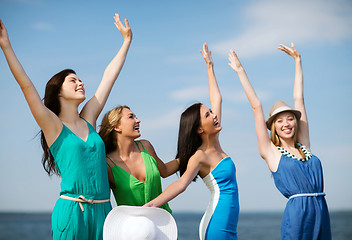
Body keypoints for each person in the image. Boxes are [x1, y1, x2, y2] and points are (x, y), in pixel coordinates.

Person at [0, 14, 132, 240]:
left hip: (104, 212)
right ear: (58, 90)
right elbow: (26, 85)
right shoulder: (52, 125)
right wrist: (6, 46)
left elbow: (109, 77)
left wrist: (126, 41)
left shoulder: (88, 118)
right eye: (73, 80)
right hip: (72, 212)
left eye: (80, 79)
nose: (81, 83)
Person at [228, 43, 331, 239]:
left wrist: (298, 61)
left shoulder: (304, 145)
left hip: (321, 211)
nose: (286, 123)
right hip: (298, 217)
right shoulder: (271, 152)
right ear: (273, 126)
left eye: (290, 118)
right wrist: (240, 71)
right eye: (280, 120)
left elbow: (299, 99)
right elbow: (256, 107)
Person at [144, 43, 240, 240]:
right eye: (208, 114)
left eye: (212, 112)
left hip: (229, 225)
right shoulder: (199, 156)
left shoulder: (215, 139)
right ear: (199, 128)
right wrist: (152, 204)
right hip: (217, 225)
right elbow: (181, 184)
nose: (214, 115)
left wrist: (209, 67)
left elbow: (217, 98)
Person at [98, 105, 179, 214]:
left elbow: (165, 170)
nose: (138, 120)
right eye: (131, 117)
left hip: (162, 223)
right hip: (131, 227)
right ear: (117, 126)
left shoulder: (146, 146)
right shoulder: (107, 165)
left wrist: (190, 156)